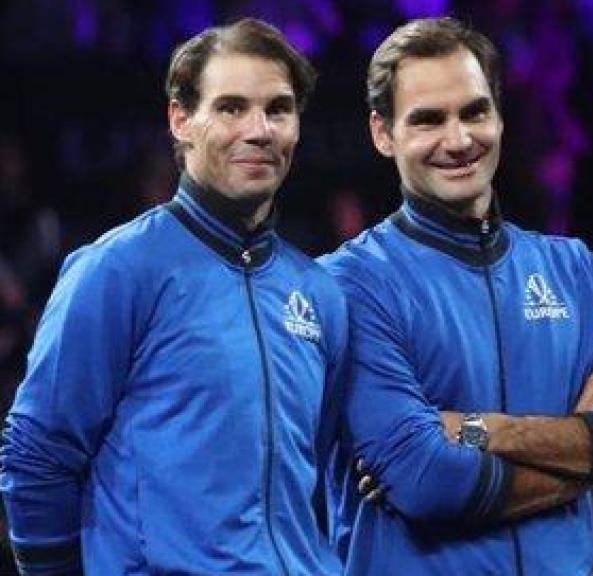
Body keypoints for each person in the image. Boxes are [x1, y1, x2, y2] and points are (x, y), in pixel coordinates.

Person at [317, 17, 593, 575]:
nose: (459, 139)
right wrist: (589, 453)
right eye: (428, 120)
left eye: (474, 111)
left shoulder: (573, 269)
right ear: (382, 133)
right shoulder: (349, 284)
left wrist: (481, 430)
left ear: (500, 116)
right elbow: (426, 482)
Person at [0, 18, 346, 575]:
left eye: (278, 109)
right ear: (181, 119)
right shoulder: (117, 269)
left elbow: (321, 477)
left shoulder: (318, 292)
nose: (259, 129)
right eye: (231, 107)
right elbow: (37, 455)